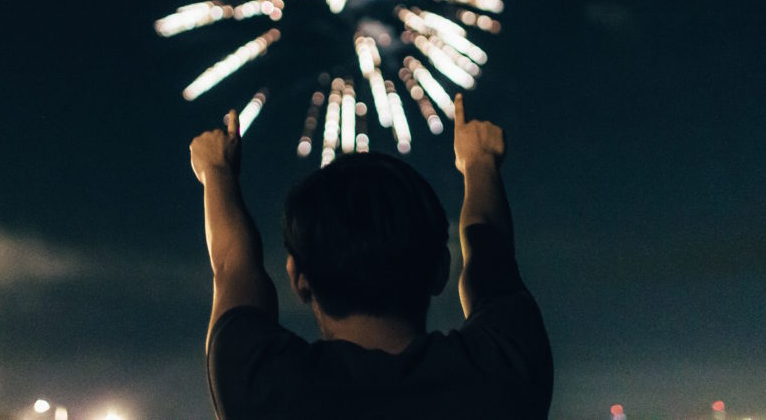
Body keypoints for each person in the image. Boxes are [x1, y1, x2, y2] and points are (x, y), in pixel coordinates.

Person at [189, 93, 552, 419]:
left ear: (299, 279)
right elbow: (492, 259)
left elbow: (233, 266)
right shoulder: (504, 373)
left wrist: (216, 172)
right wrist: (480, 162)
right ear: (441, 269)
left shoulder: (262, 388)